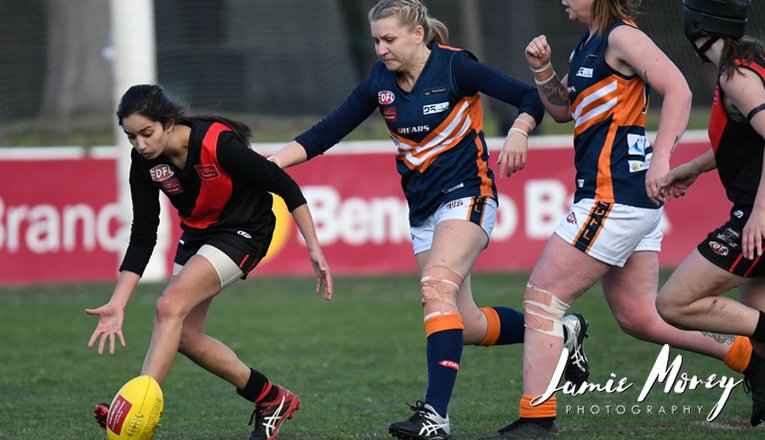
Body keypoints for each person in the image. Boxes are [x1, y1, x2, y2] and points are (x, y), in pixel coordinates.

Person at [267, 1, 588, 439]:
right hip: (422, 211)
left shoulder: (457, 67)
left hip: (469, 195)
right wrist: (270, 163)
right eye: (376, 40)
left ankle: (435, 417)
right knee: (467, 323)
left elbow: (529, 96)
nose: (381, 49)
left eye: (390, 39)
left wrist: (519, 130)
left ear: (418, 35)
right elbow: (326, 133)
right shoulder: (380, 83)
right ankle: (562, 333)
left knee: (436, 286)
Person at [480, 0, 763, 438]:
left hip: (614, 197)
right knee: (640, 317)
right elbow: (565, 110)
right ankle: (748, 356)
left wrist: (662, 156)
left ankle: (536, 419)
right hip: (624, 200)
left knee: (541, 300)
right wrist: (543, 70)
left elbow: (679, 90)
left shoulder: (621, 37)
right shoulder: (586, 45)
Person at [86, 84, 333, 440]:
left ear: (169, 123)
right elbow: (143, 234)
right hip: (201, 234)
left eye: (146, 133)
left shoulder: (218, 144)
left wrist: (314, 248)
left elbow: (286, 186)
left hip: (247, 230)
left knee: (169, 305)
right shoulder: (144, 162)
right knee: (185, 336)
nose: (140, 144)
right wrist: (118, 302)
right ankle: (271, 398)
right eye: (131, 137)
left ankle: (135, 409)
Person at [656, 0, 765, 428]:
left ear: (699, 24)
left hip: (757, 215)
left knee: (673, 302)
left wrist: (759, 213)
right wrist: (692, 168)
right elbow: (742, 139)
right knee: (753, 314)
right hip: (754, 209)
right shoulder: (744, 63)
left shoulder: (735, 76)